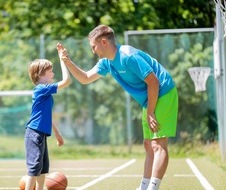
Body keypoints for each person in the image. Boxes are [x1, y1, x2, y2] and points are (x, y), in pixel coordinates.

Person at [59, 25, 178, 190]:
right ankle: (144, 186)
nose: (93, 51)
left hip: (163, 92)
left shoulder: (128, 56)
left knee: (158, 144)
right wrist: (67, 61)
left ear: (103, 42)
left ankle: (152, 187)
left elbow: (153, 81)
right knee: (148, 144)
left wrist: (151, 111)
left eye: (93, 46)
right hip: (149, 99)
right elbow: (85, 78)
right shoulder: (107, 62)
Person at [24, 43, 71, 190]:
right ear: (41, 74)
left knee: (43, 169)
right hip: (34, 134)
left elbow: (46, 116)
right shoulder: (41, 89)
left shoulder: (46, 92)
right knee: (34, 169)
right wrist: (63, 60)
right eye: (50, 71)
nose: (53, 74)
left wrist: (57, 133)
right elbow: (67, 81)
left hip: (41, 134)